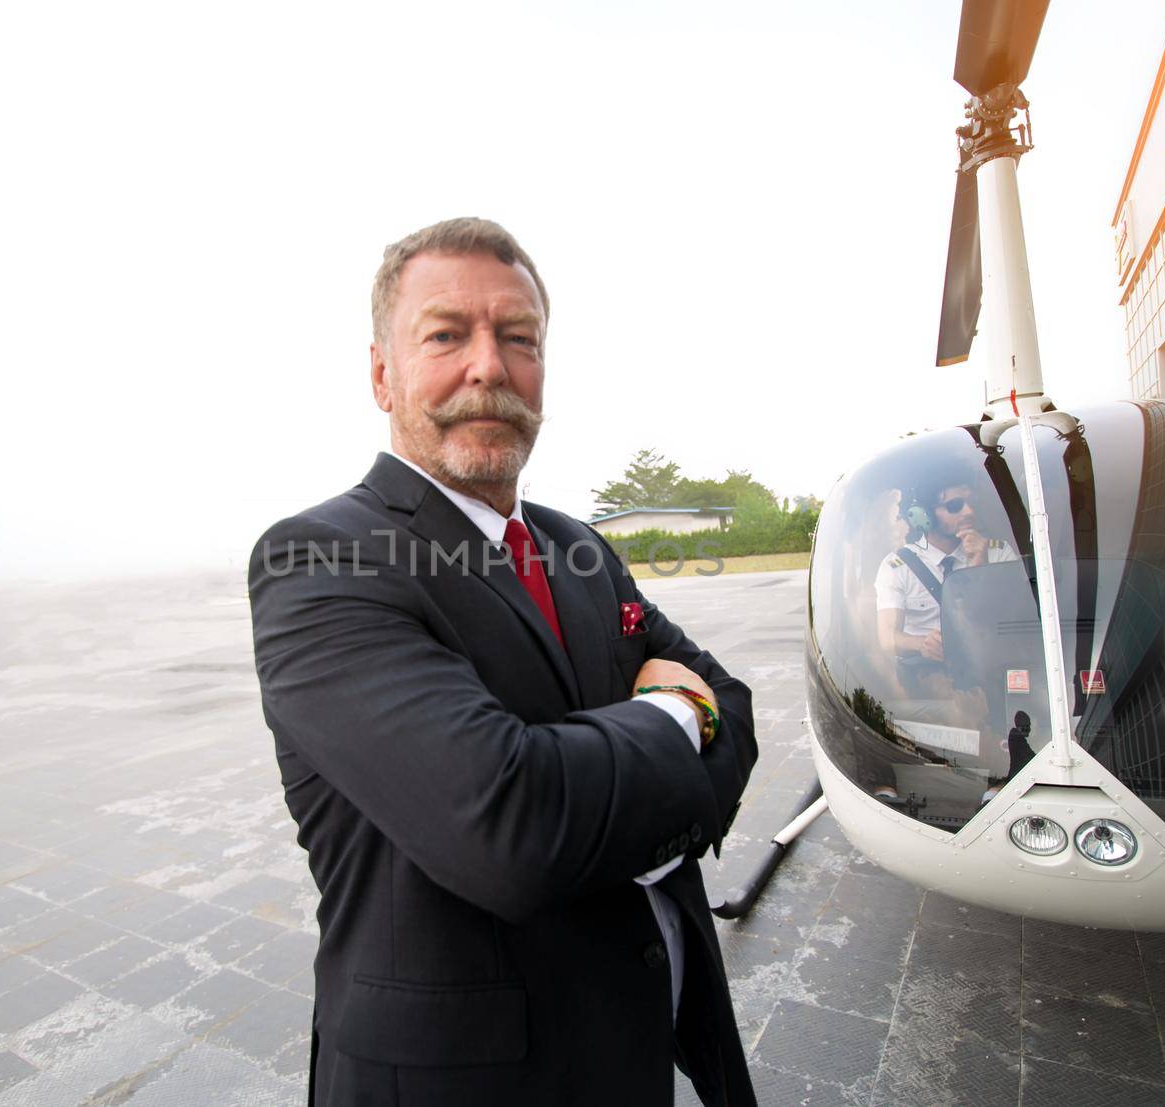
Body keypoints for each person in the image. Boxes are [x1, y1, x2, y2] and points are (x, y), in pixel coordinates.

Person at [248, 218, 758, 1107]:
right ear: (382, 374)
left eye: (517, 338)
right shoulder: (320, 559)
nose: (488, 365)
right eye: (446, 335)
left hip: (641, 1057)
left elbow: (741, 710)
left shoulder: (579, 546)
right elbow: (510, 825)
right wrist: (680, 716)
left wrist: (634, 758)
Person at [874, 477, 1016, 686]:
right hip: (931, 679)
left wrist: (981, 566)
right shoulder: (897, 566)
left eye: (970, 503)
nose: (969, 512)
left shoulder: (999, 553)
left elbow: (1014, 620)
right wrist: (922, 644)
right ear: (924, 515)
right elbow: (886, 637)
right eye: (955, 506)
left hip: (991, 672)